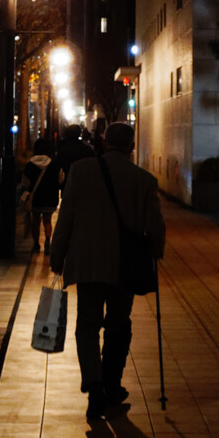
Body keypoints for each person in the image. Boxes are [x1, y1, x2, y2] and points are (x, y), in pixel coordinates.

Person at [50, 121, 165, 420]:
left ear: (103, 142)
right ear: (131, 146)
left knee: (87, 325)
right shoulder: (144, 180)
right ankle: (112, 384)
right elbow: (156, 227)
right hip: (124, 265)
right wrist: (155, 253)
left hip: (87, 263)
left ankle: (94, 383)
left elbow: (66, 217)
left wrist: (56, 254)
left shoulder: (81, 171)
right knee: (118, 324)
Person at [20, 137, 59, 254]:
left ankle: (36, 244)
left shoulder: (29, 165)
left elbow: (25, 182)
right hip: (50, 197)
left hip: (35, 197)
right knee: (47, 220)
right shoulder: (54, 164)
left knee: (35, 220)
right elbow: (61, 179)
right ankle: (48, 241)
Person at [55, 123, 95, 193]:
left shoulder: (63, 151)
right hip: (84, 184)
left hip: (67, 183)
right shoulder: (87, 150)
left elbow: (57, 167)